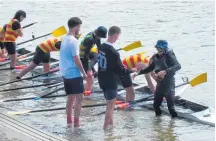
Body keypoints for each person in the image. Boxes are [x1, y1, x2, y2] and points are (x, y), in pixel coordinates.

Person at [98, 26, 136, 129]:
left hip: (101, 80)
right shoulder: (113, 52)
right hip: (110, 81)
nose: (118, 38)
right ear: (115, 35)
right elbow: (120, 71)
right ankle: (105, 130)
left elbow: (109, 64)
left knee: (109, 103)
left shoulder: (101, 47)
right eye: (118, 36)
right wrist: (131, 70)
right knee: (110, 107)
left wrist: (119, 65)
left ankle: (111, 126)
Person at [133, 40, 181, 118]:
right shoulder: (155, 57)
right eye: (158, 48)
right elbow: (150, 68)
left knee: (171, 108)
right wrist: (138, 73)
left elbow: (178, 66)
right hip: (160, 83)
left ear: (165, 49)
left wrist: (165, 71)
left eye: (161, 49)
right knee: (155, 105)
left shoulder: (170, 56)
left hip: (169, 83)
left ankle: (173, 126)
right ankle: (158, 121)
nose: (159, 50)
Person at [59, 17, 87, 127]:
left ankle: (69, 121)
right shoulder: (74, 41)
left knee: (70, 98)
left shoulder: (64, 38)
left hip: (65, 73)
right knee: (80, 99)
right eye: (79, 27)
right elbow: (77, 59)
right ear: (75, 26)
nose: (80, 29)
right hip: (74, 74)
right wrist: (84, 73)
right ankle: (76, 124)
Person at [79, 26, 107, 92]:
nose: (101, 38)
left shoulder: (96, 36)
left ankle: (94, 70)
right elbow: (86, 55)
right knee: (90, 78)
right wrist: (89, 68)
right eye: (101, 36)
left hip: (89, 52)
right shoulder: (90, 39)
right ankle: (84, 92)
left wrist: (106, 54)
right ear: (98, 34)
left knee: (98, 56)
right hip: (83, 56)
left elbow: (99, 48)